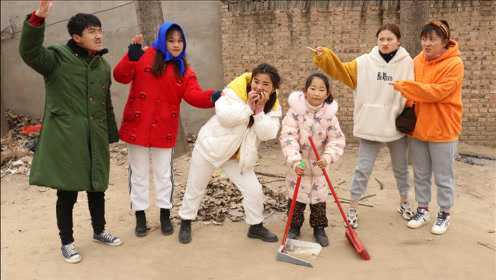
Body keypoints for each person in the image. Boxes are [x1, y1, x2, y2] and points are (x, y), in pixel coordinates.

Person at [19, 0, 122, 264]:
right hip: (68, 138)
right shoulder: (55, 60)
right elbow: (29, 52)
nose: (98, 35)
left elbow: (105, 103)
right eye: (91, 31)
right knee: (67, 192)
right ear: (76, 37)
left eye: (99, 29)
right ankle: (67, 241)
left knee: (97, 186)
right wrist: (38, 18)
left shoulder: (103, 66)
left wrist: (110, 133)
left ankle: (99, 230)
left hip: (95, 136)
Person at [113, 22, 217, 237]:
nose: (176, 45)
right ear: (162, 40)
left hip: (164, 128)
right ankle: (140, 216)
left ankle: (164, 214)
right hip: (138, 125)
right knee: (138, 174)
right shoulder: (143, 56)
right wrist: (129, 57)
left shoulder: (184, 69)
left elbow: (193, 95)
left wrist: (215, 97)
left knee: (164, 174)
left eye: (180, 40)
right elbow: (120, 76)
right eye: (171, 40)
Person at [311, 23, 415, 228]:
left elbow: (416, 89)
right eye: (381, 39)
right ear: (377, 41)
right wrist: (326, 56)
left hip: (395, 126)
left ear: (398, 41)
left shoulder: (408, 63)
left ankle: (404, 203)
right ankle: (353, 208)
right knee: (362, 170)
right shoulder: (364, 62)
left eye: (389, 39)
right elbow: (340, 70)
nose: (385, 43)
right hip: (371, 125)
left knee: (401, 169)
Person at [177, 63, 282, 244]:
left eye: (266, 84)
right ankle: (186, 221)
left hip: (237, 156)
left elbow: (268, 134)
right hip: (210, 147)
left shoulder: (272, 106)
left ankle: (255, 226)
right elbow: (225, 118)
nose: (259, 87)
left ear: (273, 88)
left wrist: (258, 112)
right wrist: (249, 106)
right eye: (256, 82)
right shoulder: (235, 90)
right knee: (196, 187)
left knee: (254, 190)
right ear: (250, 81)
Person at [393, 20, 464, 235]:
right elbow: (408, 88)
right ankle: (422, 209)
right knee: (421, 174)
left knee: (443, 176)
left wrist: (406, 87)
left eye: (432, 39)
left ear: (444, 41)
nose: (427, 43)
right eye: (424, 38)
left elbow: (437, 92)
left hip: (444, 129)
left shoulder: (454, 64)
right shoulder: (417, 61)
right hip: (419, 128)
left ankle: (444, 213)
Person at [279, 73, 345, 247]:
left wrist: (327, 157)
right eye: (313, 88)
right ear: (305, 90)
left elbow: (336, 139)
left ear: (327, 93)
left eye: (321, 89)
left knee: (319, 199)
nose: (316, 93)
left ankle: (319, 228)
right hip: (299, 164)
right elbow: (288, 136)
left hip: (319, 166)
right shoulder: (295, 113)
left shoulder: (330, 116)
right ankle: (294, 227)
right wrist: (294, 159)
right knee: (296, 198)